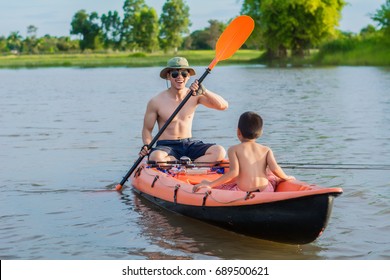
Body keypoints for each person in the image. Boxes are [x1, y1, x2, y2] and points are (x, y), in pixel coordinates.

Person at [140, 57, 228, 163]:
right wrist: (147, 145)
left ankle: (191, 165)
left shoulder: (195, 96)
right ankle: (178, 161)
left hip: (189, 144)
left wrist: (205, 91)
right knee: (156, 157)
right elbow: (147, 130)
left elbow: (223, 106)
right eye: (175, 74)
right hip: (166, 146)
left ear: (189, 76)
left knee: (219, 151)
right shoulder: (156, 101)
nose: (180, 77)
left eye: (184, 74)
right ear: (168, 76)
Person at [193, 111, 295, 193]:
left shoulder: (234, 149)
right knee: (271, 176)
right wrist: (286, 177)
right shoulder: (266, 149)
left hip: (243, 192)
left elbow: (233, 173)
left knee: (220, 188)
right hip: (266, 190)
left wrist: (210, 184)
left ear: (238, 132)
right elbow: (275, 169)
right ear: (261, 132)